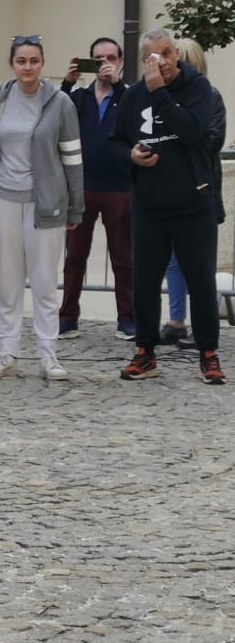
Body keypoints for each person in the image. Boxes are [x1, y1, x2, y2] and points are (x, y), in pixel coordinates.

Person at [113, 27, 224, 384]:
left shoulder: (197, 88)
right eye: (153, 56)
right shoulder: (131, 96)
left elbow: (192, 131)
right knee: (144, 281)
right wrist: (130, 155)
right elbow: (115, 142)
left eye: (167, 53)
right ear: (144, 59)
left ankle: (208, 353)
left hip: (193, 202)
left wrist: (159, 91)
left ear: (176, 53)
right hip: (149, 205)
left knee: (200, 282)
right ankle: (145, 353)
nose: (162, 61)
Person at [0, 35, 83, 381]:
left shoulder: (61, 103)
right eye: (21, 61)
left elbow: (73, 158)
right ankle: (7, 351)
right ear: (12, 64)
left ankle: (48, 353)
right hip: (3, 199)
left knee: (45, 281)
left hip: (45, 203)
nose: (28, 67)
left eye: (34, 61)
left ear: (42, 63)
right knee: (8, 280)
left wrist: (74, 207)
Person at [58, 36, 134, 342]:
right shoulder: (79, 97)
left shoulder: (129, 95)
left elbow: (136, 121)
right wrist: (66, 83)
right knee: (74, 256)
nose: (105, 63)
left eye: (111, 58)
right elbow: (56, 116)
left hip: (119, 186)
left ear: (120, 61)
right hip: (83, 186)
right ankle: (67, 317)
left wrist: (116, 85)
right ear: (90, 63)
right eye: (99, 58)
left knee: (123, 258)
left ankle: (127, 318)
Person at [155, 37, 226, 347]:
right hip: (168, 189)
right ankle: (175, 321)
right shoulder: (161, 96)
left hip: (199, 188)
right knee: (172, 259)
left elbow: (211, 140)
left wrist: (177, 137)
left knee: (200, 262)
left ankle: (204, 325)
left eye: (179, 59)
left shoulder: (210, 96)